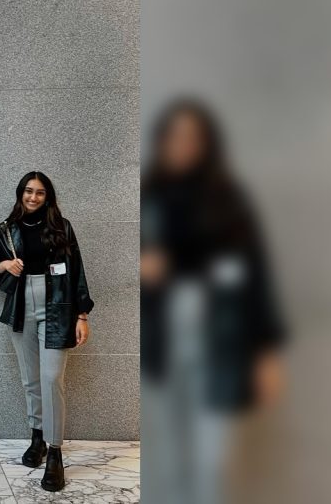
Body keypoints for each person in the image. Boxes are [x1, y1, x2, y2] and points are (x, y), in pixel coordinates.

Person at [140, 98, 286, 504]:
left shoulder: (228, 198)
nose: (181, 144)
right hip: (163, 336)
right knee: (169, 456)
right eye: (174, 136)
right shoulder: (149, 196)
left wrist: (267, 352)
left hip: (220, 333)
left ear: (206, 142)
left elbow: (256, 273)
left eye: (191, 136)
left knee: (213, 459)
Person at [0, 171, 94, 492]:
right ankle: (37, 437)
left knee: (51, 378)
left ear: (48, 197)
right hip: (21, 307)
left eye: (40, 193)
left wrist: (82, 314)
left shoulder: (62, 228)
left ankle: (55, 452)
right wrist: (5, 266)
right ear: (20, 194)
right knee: (31, 379)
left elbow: (77, 273)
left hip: (57, 307)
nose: (33, 197)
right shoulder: (7, 230)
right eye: (28, 191)